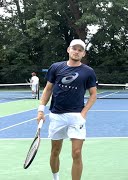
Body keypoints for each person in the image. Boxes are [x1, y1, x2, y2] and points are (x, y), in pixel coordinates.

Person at [37, 39, 97, 180]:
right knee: (55, 151)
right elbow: (48, 89)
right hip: (57, 116)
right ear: (68, 50)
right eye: (74, 48)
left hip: (76, 117)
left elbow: (94, 94)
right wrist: (41, 110)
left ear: (83, 54)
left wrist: (83, 113)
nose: (76, 52)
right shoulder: (56, 67)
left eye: (80, 50)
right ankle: (55, 178)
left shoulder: (88, 72)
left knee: (76, 153)